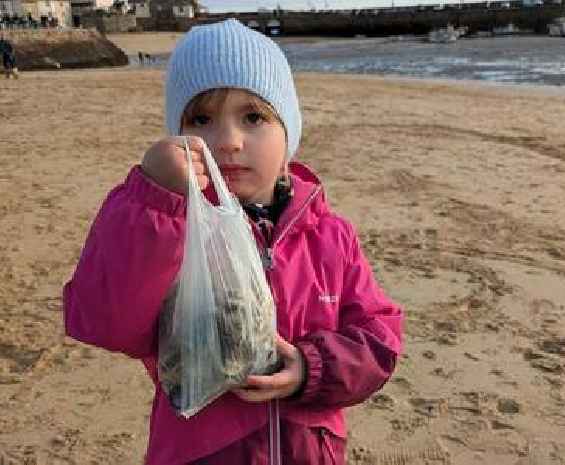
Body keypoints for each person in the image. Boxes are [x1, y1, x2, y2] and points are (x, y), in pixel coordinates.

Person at [63, 19, 402, 465]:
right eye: (201, 119)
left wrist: (311, 368)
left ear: (288, 137)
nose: (227, 141)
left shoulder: (330, 235)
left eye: (254, 117)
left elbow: (378, 338)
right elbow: (103, 321)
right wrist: (154, 200)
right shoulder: (170, 228)